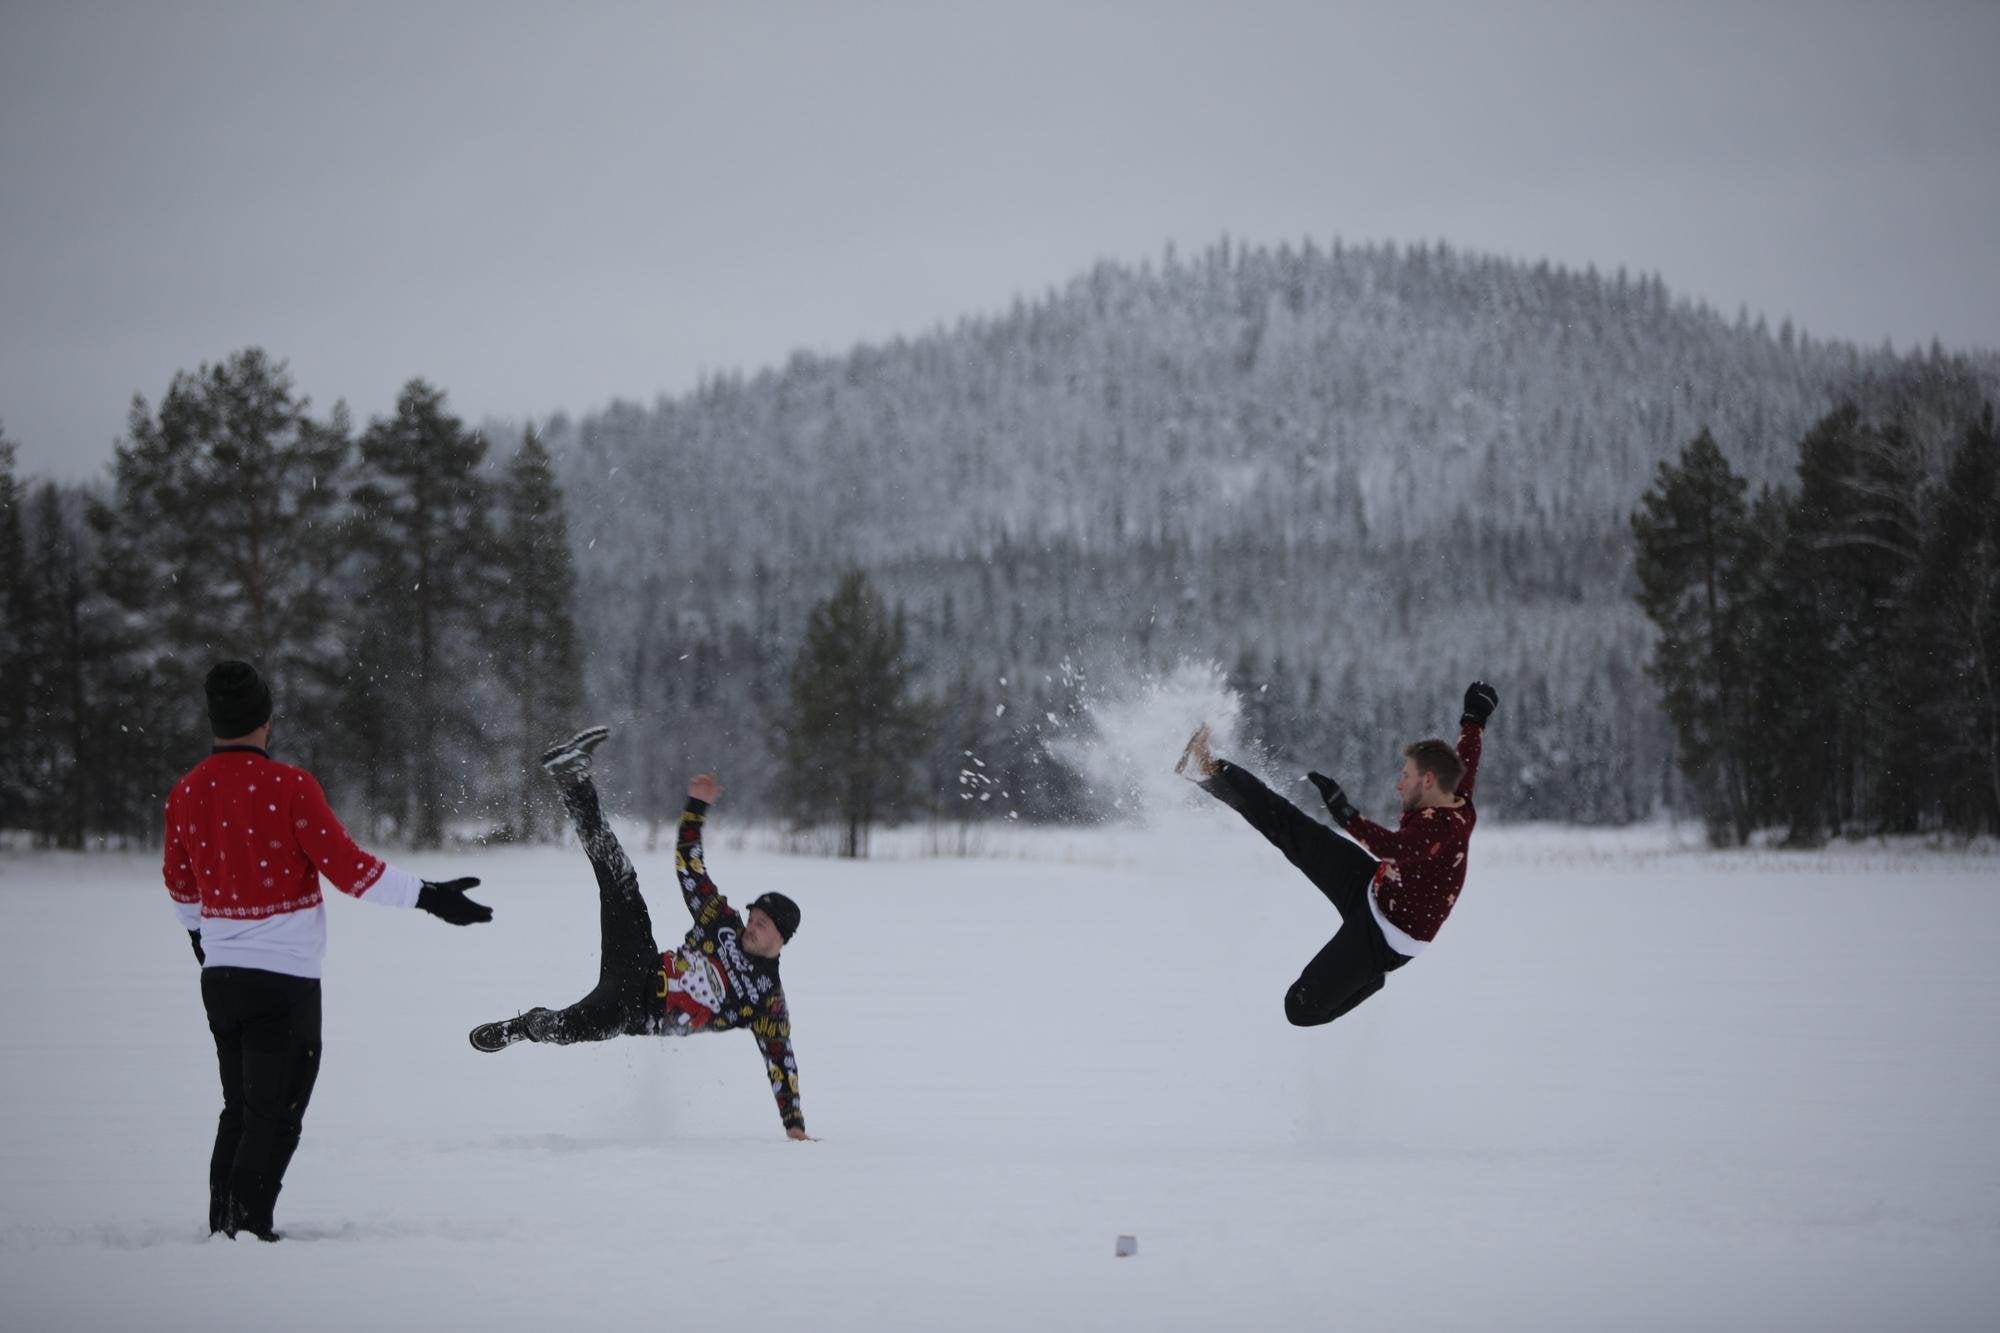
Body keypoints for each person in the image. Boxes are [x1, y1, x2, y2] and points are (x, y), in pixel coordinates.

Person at [163, 660, 492, 1242]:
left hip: (221, 979)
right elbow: (348, 869)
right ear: (267, 720)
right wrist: (430, 897)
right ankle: (244, 1230)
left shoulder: (188, 791)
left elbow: (180, 881)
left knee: (239, 1108)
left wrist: (202, 938)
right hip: (283, 979)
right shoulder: (288, 787)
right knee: (276, 1111)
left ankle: (225, 1225)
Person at [469, 727, 809, 1141]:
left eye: (762, 926)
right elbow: (689, 866)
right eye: (753, 917)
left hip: (636, 1011)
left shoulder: (767, 999)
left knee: (568, 1027)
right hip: (639, 961)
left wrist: (794, 1128)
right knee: (620, 878)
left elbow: (781, 1060)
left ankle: (521, 1028)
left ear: (781, 940)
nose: (751, 928)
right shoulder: (722, 923)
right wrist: (696, 809)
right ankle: (573, 778)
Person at [1177, 681, 1498, 1028]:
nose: (1399, 784)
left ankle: (1371, 977)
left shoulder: (1441, 828)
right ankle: (1205, 767)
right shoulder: (1455, 792)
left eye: (1406, 777)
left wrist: (1347, 815)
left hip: (1386, 936)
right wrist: (1474, 716)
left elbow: (1394, 849)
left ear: (1429, 781)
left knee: (1300, 1008)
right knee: (1291, 828)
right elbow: (1467, 757)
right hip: (1374, 887)